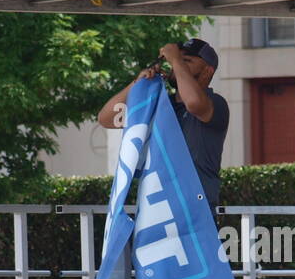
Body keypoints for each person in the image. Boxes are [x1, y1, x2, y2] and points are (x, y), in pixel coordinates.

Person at [97, 37, 230, 209]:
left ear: (207, 71)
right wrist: (138, 84)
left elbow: (194, 103)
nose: (176, 66)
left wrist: (175, 59)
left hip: (196, 213)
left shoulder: (216, 103)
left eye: (187, 61)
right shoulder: (161, 105)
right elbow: (106, 118)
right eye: (178, 60)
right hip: (157, 211)